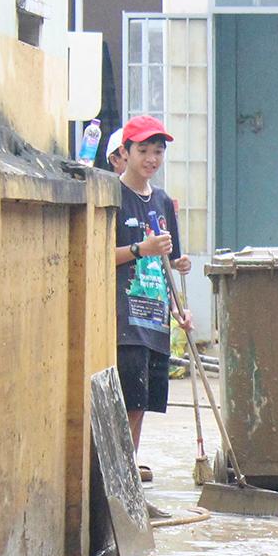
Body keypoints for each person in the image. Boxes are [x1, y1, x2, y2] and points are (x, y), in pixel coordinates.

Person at [111, 115, 192, 481]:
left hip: (154, 315)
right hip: (123, 318)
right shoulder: (111, 196)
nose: (151, 158)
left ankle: (128, 467)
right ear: (125, 152)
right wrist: (139, 248)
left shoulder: (162, 201)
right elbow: (98, 254)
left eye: (157, 151)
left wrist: (179, 306)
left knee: (141, 404)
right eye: (143, 150)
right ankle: (121, 476)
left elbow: (168, 261)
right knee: (126, 401)